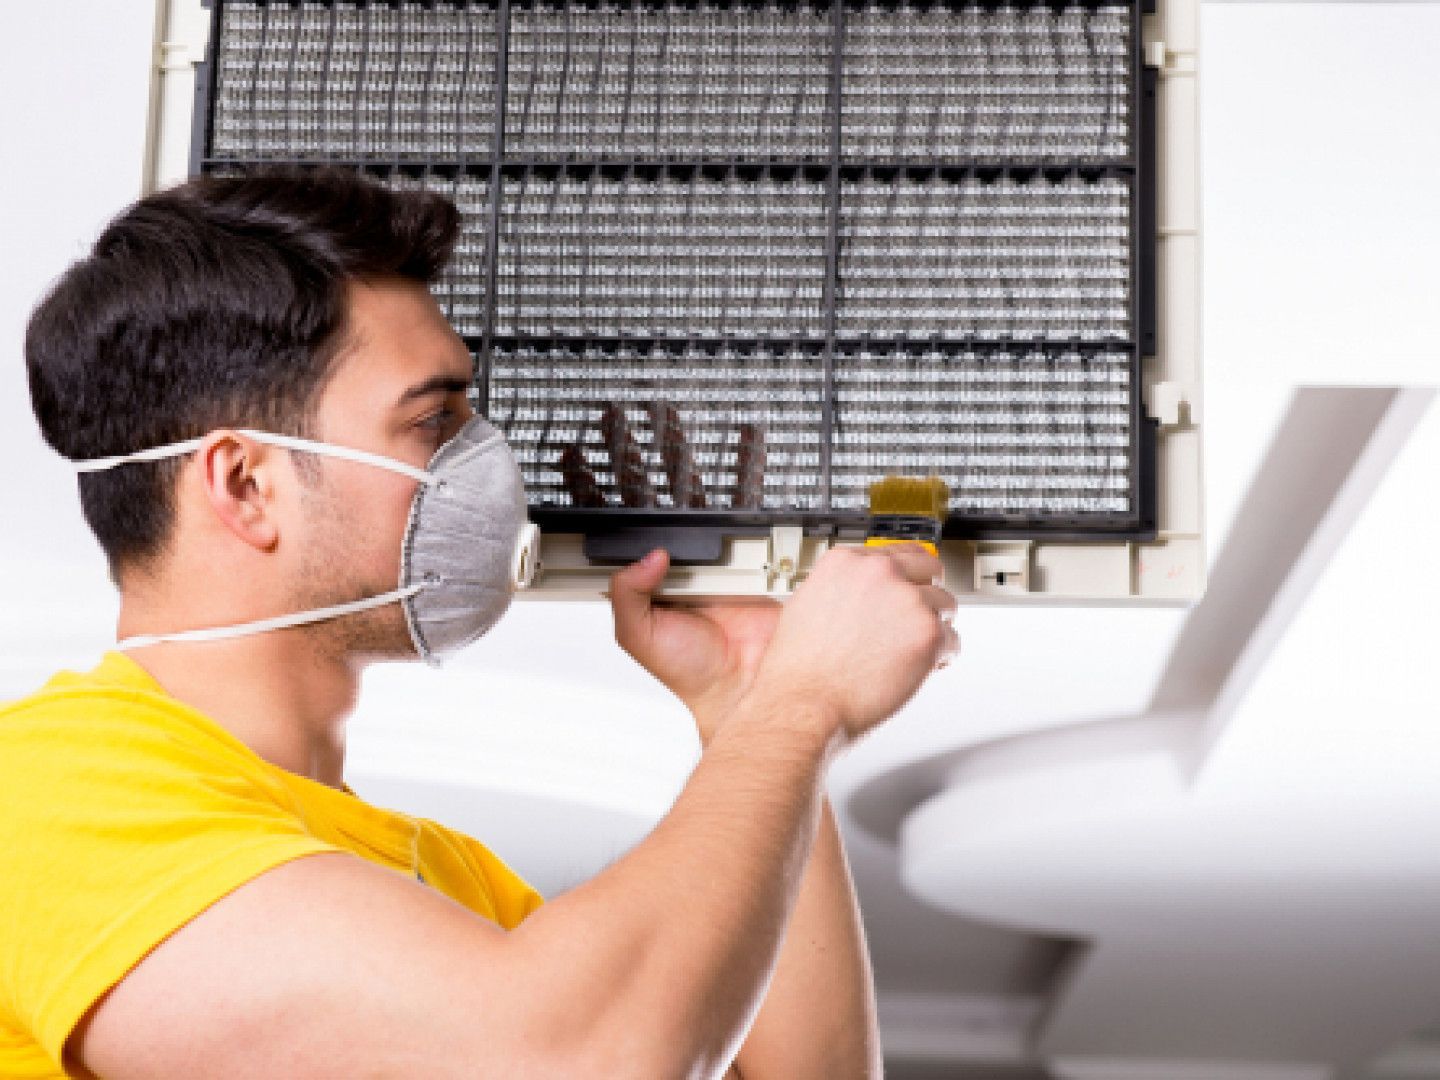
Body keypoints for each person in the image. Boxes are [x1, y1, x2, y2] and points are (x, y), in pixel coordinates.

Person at [2, 168, 959, 1079]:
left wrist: (747, 696)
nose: (488, 465)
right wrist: (803, 706)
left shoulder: (447, 882)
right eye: (433, 421)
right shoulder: (42, 789)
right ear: (247, 485)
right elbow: (585, 1061)